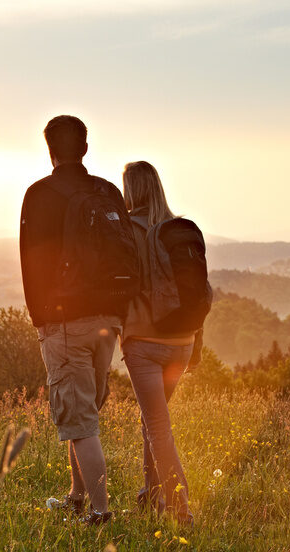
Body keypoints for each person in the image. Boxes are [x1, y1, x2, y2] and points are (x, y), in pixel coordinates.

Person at [20, 115, 134, 525]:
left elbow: (30, 261)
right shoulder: (106, 191)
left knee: (80, 419)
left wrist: (41, 319)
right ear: (85, 148)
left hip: (65, 321)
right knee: (86, 411)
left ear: (49, 149)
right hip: (110, 319)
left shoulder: (40, 194)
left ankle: (101, 514)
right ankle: (75, 496)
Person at [121, 160, 203, 526]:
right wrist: (196, 343)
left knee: (157, 425)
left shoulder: (126, 231)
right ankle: (151, 494)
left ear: (130, 190)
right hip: (182, 341)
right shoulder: (177, 230)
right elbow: (198, 292)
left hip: (144, 343)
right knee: (152, 419)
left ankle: (180, 508)